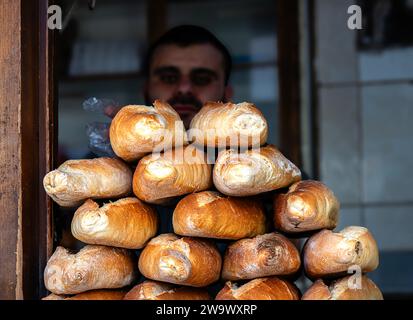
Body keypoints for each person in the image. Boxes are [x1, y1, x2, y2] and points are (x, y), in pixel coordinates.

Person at [104, 25, 233, 130]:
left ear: (227, 94)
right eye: (168, 78)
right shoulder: (104, 158)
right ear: (145, 90)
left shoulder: (250, 158)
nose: (184, 89)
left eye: (202, 79)